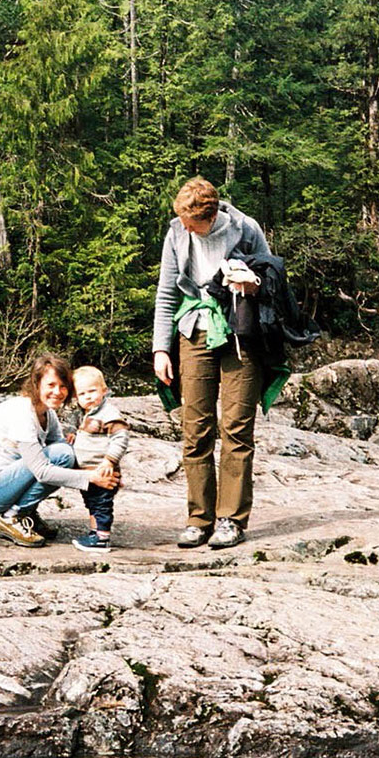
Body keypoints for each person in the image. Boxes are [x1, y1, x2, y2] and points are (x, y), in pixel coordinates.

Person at [152, 177, 268, 550]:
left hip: (239, 332)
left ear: (212, 215)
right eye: (182, 220)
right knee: (195, 427)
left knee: (235, 427)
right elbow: (166, 292)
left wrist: (252, 284)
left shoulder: (245, 229)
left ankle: (231, 519)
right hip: (194, 331)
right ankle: (199, 519)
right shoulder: (176, 233)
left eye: (192, 223)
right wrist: (160, 349)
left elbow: (272, 278)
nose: (185, 227)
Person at [0, 356, 117, 547]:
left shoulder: (47, 412)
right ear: (36, 384)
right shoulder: (21, 411)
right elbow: (43, 470)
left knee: (66, 451)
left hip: (5, 487)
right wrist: (90, 478)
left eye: (63, 386)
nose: (57, 392)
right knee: (63, 455)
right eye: (50, 385)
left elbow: (62, 447)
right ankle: (11, 517)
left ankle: (26, 512)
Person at [65, 366, 129, 551]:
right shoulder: (83, 414)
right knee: (92, 503)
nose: (88, 397)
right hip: (87, 472)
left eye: (92, 391)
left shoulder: (109, 414)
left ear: (104, 390)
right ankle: (95, 533)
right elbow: (74, 424)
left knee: (101, 504)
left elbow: (121, 438)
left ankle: (102, 537)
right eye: (82, 394)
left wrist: (110, 460)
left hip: (102, 470)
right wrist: (71, 433)